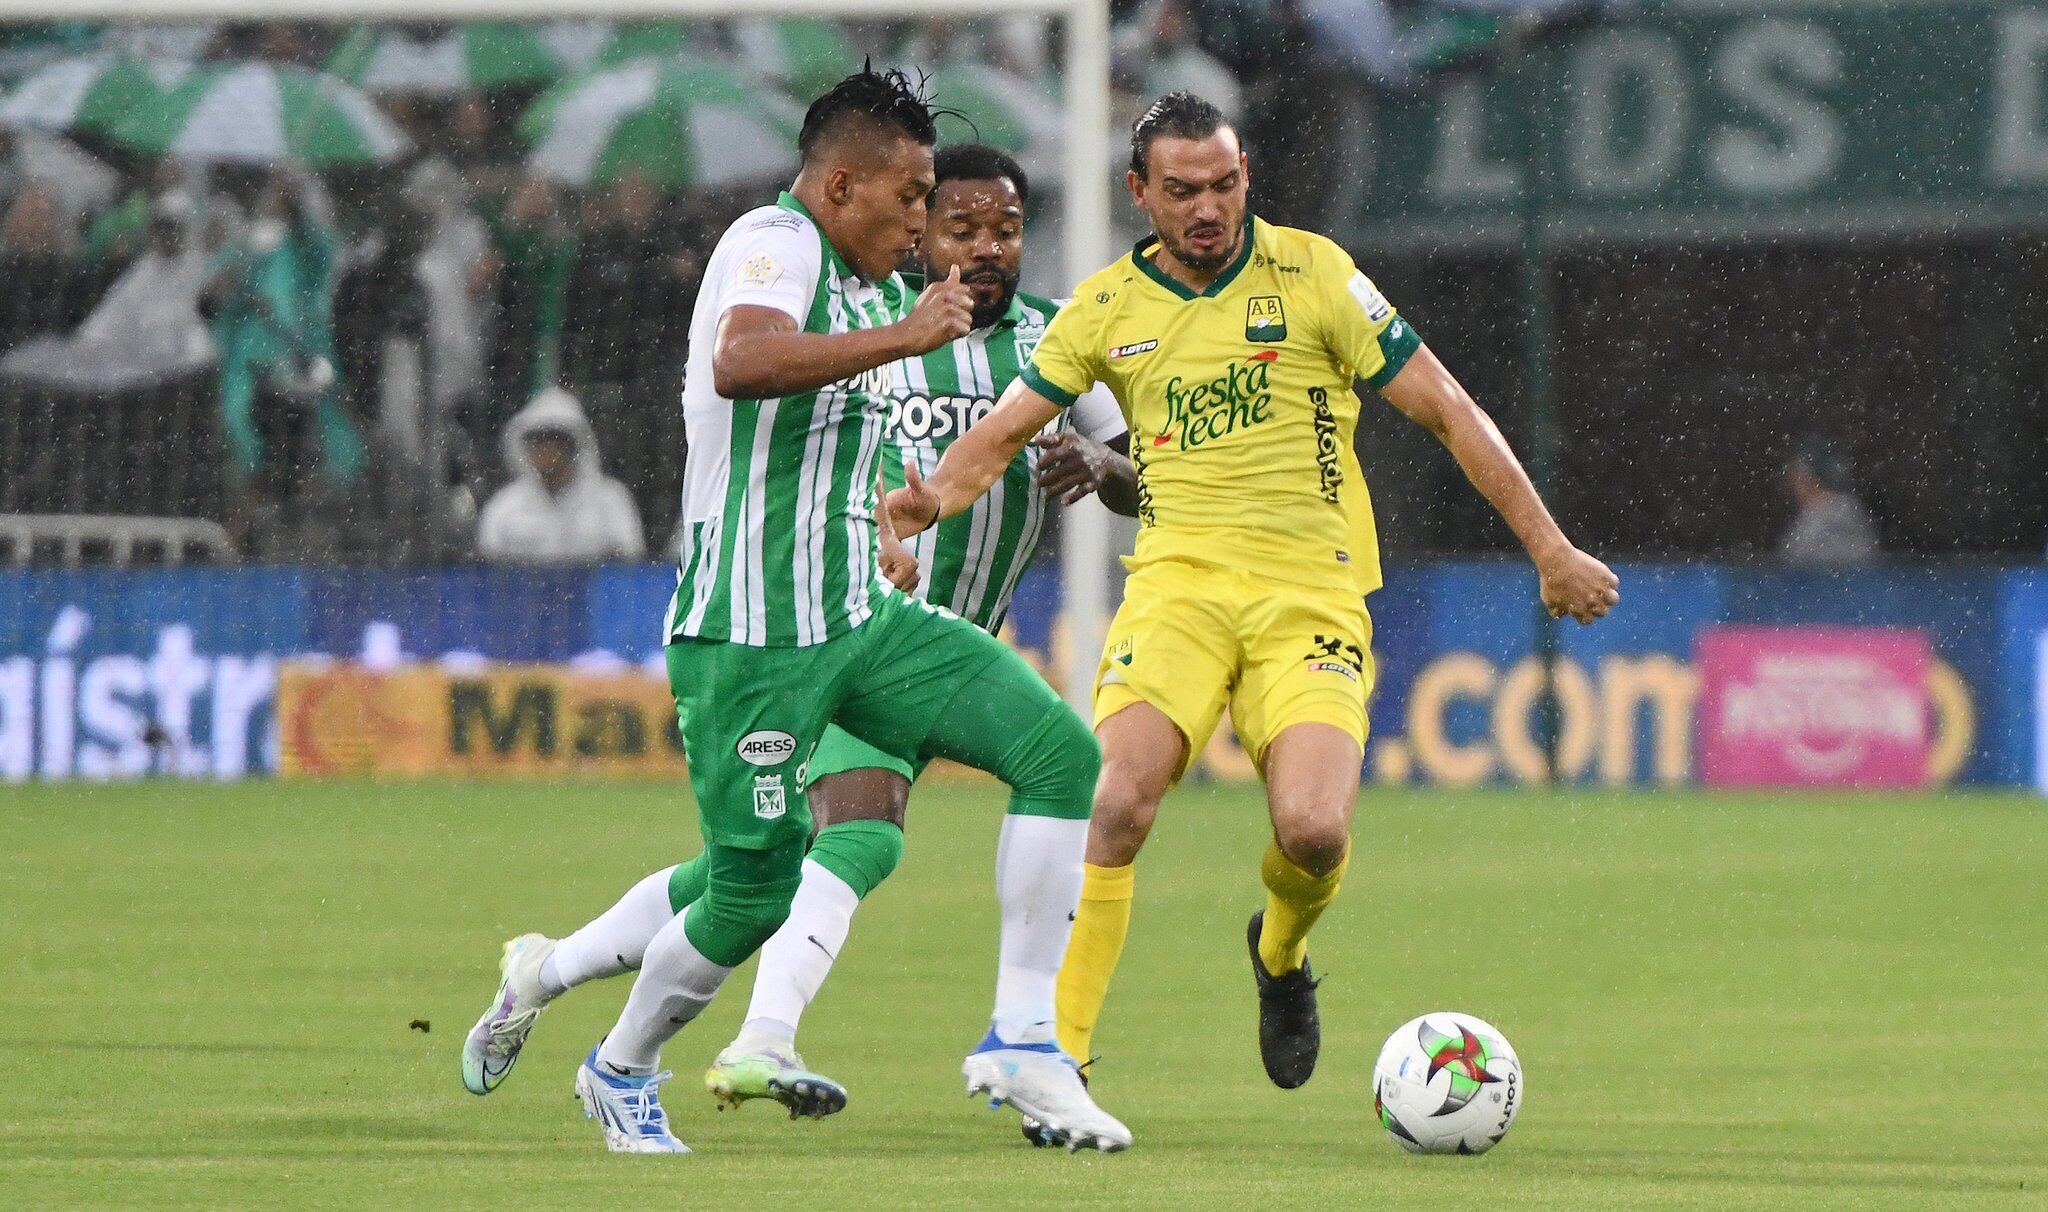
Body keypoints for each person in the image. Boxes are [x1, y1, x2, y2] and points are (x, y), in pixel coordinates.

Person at [885, 93, 1619, 1120]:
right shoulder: (1103, 309)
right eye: (1180, 190)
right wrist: (920, 508)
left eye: (1223, 185)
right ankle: (1060, 1061)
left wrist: (1548, 548)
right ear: (1137, 193)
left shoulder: (1314, 275)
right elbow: (999, 436)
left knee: (1312, 831)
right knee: (1112, 802)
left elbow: (1446, 408)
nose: (1205, 209)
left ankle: (1279, 953)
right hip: (1176, 592)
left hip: (1307, 592)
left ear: (1245, 180)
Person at [460, 69, 1131, 1155]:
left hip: (865, 618)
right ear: (837, 183)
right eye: (909, 198)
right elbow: (741, 361)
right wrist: (910, 340)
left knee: (1057, 753)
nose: (922, 223)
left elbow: (834, 450)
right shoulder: (772, 242)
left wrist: (880, 533)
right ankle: (620, 1065)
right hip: (752, 635)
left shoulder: (875, 288)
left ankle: (1019, 1034)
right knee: (749, 890)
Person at [475, 386, 645, 564]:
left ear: (572, 445)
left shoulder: (611, 502)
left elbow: (630, 573)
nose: (545, 449)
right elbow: (487, 575)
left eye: (554, 439)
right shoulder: (504, 507)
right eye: (538, 440)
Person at [1779, 441, 1879, 567]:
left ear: (1810, 477)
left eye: (1796, 476)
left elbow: (1858, 558)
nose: (1792, 484)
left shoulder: (1842, 510)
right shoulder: (1807, 517)